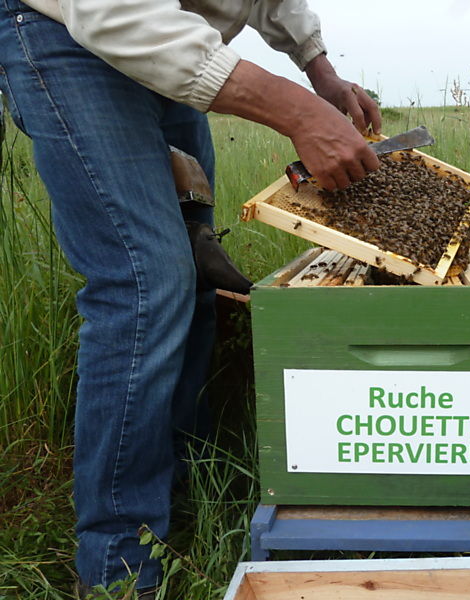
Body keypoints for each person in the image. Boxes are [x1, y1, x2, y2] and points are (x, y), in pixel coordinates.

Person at [0, 0, 382, 596]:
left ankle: (185, 490)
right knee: (145, 283)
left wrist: (319, 69)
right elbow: (108, 10)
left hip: (175, 40)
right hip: (74, 33)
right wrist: (298, 112)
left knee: (198, 268)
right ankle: (118, 566)